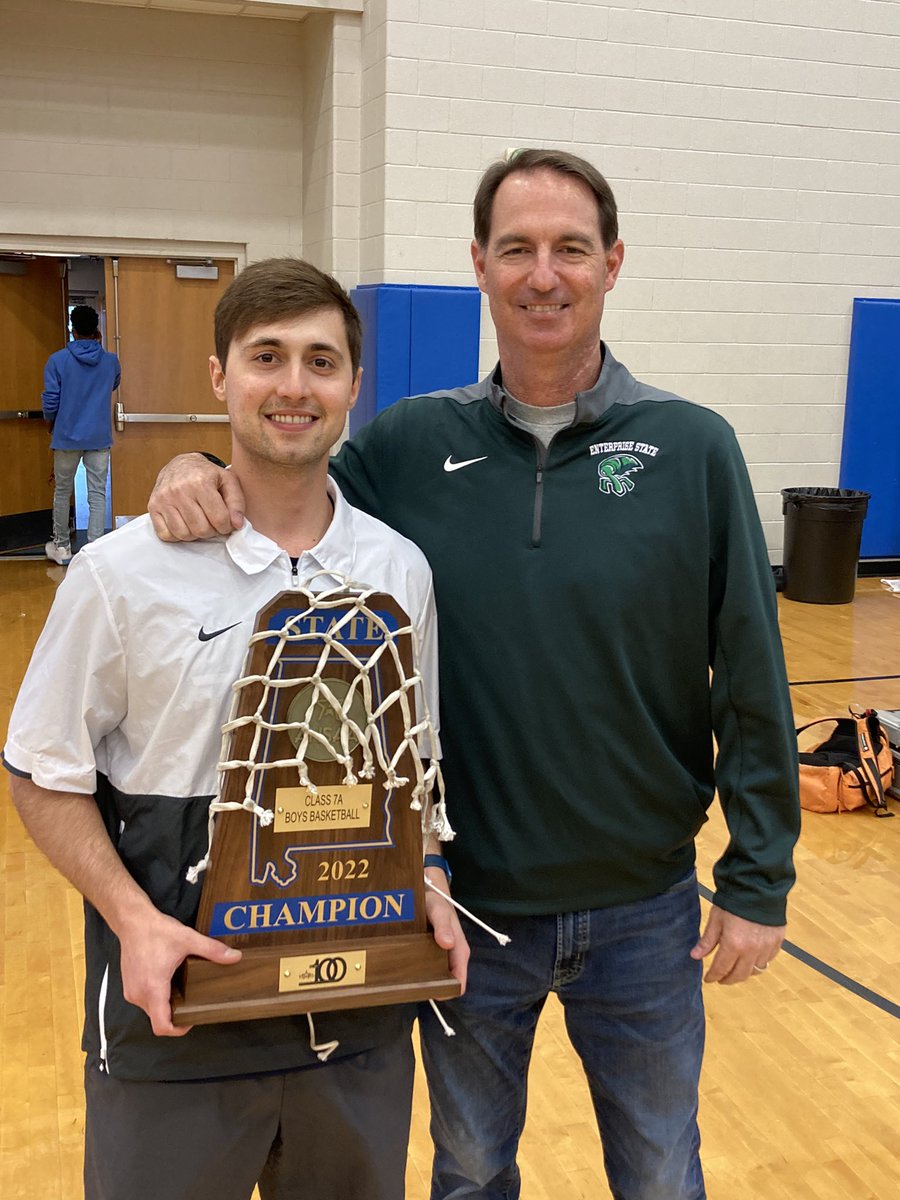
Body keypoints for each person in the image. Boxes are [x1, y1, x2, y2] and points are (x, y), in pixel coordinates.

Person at [146, 150, 801, 1200]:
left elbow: (752, 682)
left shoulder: (693, 449)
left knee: (662, 1171)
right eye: (517, 250)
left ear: (613, 264)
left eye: (570, 249)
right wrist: (190, 471)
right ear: (480, 267)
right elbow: (282, 503)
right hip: (464, 913)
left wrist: (760, 877)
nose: (544, 274)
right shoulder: (409, 444)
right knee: (468, 1172)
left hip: (646, 913)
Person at [4, 259, 466, 1200]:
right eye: (267, 358)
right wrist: (133, 921)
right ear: (220, 377)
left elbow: (413, 765)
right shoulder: (120, 574)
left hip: (359, 1019)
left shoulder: (400, 569)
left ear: (353, 386)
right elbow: (41, 770)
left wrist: (427, 875)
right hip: (174, 1023)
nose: (294, 386)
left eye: (320, 361)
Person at [41, 303, 121, 565]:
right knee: (97, 494)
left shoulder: (57, 360)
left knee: (63, 492)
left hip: (66, 436)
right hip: (98, 437)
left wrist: (51, 423)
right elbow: (114, 384)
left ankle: (62, 548)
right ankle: (94, 553)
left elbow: (51, 400)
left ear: (72, 329)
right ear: (96, 329)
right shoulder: (110, 361)